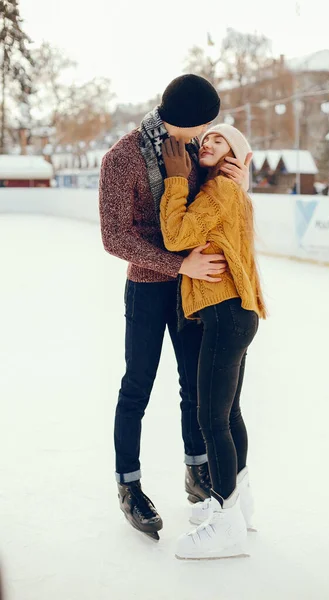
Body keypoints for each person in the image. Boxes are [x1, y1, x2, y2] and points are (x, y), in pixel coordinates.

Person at [99, 75, 251, 540]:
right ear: (184, 119)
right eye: (203, 123)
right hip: (148, 289)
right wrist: (177, 263)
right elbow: (114, 237)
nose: (208, 131)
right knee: (136, 388)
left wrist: (241, 181)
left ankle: (196, 470)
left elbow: (216, 209)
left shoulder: (194, 152)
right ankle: (129, 485)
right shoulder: (121, 158)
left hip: (195, 293)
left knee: (195, 390)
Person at [160, 124, 266, 559]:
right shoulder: (229, 189)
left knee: (211, 419)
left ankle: (225, 524)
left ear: (236, 153)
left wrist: (174, 180)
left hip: (224, 314)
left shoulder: (219, 189)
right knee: (227, 413)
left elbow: (177, 237)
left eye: (219, 140)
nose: (207, 143)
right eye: (206, 139)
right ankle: (239, 503)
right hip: (236, 314)